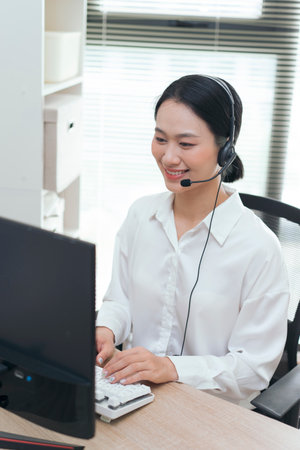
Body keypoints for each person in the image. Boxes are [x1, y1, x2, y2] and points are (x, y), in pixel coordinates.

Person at [95, 74, 289, 405]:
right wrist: (106, 330)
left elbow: (252, 370)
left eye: (186, 144)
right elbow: (120, 299)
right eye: (160, 139)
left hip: (211, 412)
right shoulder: (141, 215)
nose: (169, 157)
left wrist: (171, 368)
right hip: (130, 394)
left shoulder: (258, 249)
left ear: (225, 149)